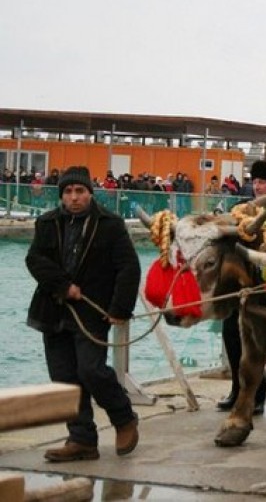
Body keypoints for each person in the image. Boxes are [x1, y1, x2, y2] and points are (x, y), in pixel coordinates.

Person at [25, 166, 141, 462]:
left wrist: (120, 308)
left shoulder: (111, 224)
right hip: (54, 310)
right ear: (61, 195)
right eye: (68, 192)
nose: (74, 197)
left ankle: (123, 418)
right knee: (63, 377)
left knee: (91, 370)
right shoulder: (47, 222)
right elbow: (34, 259)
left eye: (79, 191)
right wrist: (64, 286)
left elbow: (128, 268)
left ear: (90, 192)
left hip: (92, 312)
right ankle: (82, 439)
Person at [217, 159, 266, 415]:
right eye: (254, 181)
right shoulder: (240, 209)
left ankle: (257, 395)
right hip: (241, 285)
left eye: (263, 182)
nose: (256, 187)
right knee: (232, 336)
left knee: (260, 343)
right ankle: (237, 391)